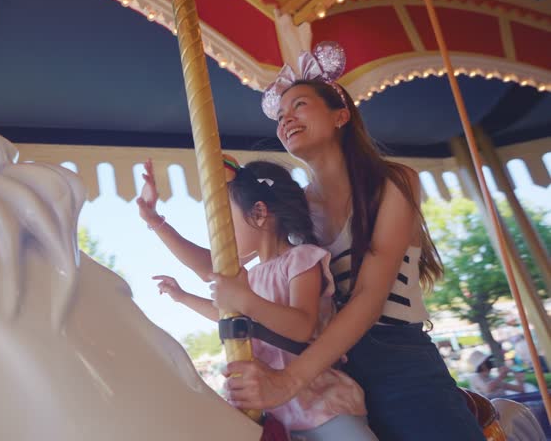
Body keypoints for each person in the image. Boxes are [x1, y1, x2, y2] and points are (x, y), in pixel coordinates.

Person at [220, 42, 486, 440]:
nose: (285, 119)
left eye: (299, 106)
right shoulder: (296, 208)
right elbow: (233, 258)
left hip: (393, 354)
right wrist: (160, 222)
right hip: (328, 369)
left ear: (340, 114)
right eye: (280, 115)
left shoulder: (393, 183)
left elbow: (368, 296)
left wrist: (289, 380)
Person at [140, 157, 376, 440]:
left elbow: (302, 326)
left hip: (317, 401)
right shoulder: (248, 277)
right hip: (266, 404)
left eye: (226, 220)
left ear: (260, 213)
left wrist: (245, 299)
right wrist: (183, 295)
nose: (220, 233)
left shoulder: (301, 259)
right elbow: (227, 312)